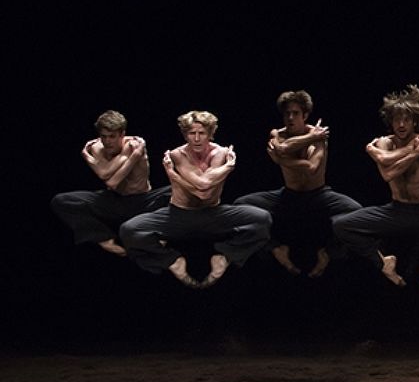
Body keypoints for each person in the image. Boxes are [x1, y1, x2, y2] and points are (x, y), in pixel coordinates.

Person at [120, 111, 270, 287]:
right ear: (185, 135)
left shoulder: (220, 153)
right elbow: (202, 187)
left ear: (210, 133)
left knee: (262, 219)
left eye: (202, 133)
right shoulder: (177, 154)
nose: (197, 138)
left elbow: (205, 192)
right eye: (192, 133)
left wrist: (173, 175)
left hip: (213, 215)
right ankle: (171, 261)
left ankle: (225, 255)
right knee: (129, 230)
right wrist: (228, 167)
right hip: (178, 215)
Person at [332, 85, 419, 286]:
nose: (401, 124)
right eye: (396, 119)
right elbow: (388, 174)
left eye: (406, 119)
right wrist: (412, 151)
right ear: (389, 122)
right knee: (342, 225)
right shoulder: (386, 143)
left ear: (414, 121)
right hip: (397, 210)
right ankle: (384, 263)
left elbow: (389, 167)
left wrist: (380, 153)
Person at [234, 90, 361, 277]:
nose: (290, 117)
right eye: (287, 113)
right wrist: (310, 138)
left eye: (295, 113)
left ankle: (327, 253)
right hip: (288, 194)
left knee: (357, 213)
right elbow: (283, 147)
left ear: (305, 115)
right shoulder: (283, 134)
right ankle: (276, 249)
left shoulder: (318, 138)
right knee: (240, 206)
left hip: (318, 195)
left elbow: (311, 167)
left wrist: (280, 160)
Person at [51, 110, 170, 257]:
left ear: (122, 134)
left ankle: (162, 237)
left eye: (112, 137)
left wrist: (135, 154)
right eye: (103, 137)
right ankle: (105, 239)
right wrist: (87, 156)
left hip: (143, 201)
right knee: (62, 201)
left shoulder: (133, 145)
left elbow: (112, 180)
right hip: (115, 200)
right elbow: (106, 176)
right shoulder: (96, 148)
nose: (107, 141)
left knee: (177, 190)